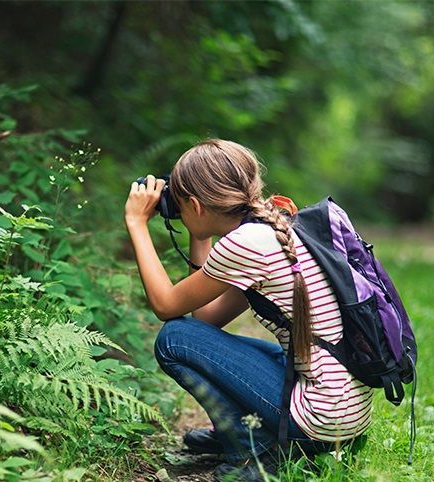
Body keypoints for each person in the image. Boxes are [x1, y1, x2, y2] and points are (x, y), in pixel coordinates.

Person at [124, 139, 371, 481]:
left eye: (181, 206)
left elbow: (167, 307)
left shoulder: (245, 245)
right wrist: (200, 229)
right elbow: (208, 318)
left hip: (322, 417)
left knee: (173, 339)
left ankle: (253, 452)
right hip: (345, 411)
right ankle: (241, 433)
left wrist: (137, 224)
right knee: (198, 338)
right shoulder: (274, 226)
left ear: (195, 205)